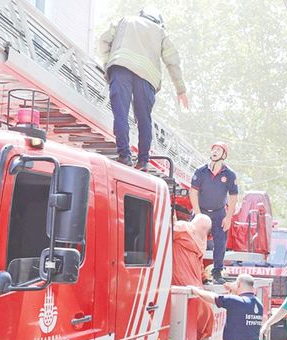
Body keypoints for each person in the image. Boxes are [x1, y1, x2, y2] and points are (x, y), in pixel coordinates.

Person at [98, 6, 189, 171]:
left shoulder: (125, 20)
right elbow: (172, 61)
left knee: (121, 114)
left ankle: (124, 156)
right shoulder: (161, 32)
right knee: (144, 119)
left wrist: (107, 64)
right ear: (159, 21)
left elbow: (104, 40)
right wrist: (181, 90)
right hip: (147, 76)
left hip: (121, 67)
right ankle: (143, 161)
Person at [191, 274, 263, 340]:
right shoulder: (258, 303)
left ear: (238, 284)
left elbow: (214, 298)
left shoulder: (238, 302)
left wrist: (195, 290)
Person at [190, 142, 238, 284]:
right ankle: (195, 270)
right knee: (192, 240)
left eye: (219, 150)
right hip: (201, 210)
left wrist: (228, 217)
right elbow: (193, 192)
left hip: (219, 213)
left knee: (220, 242)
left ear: (224, 155)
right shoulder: (201, 171)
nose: (215, 151)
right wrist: (198, 215)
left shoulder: (229, 174)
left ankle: (217, 272)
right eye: (213, 149)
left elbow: (233, 196)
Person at [172, 215, 214, 340]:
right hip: (187, 286)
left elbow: (199, 265)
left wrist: (204, 277)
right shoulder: (182, 232)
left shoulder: (182, 232)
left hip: (187, 286)